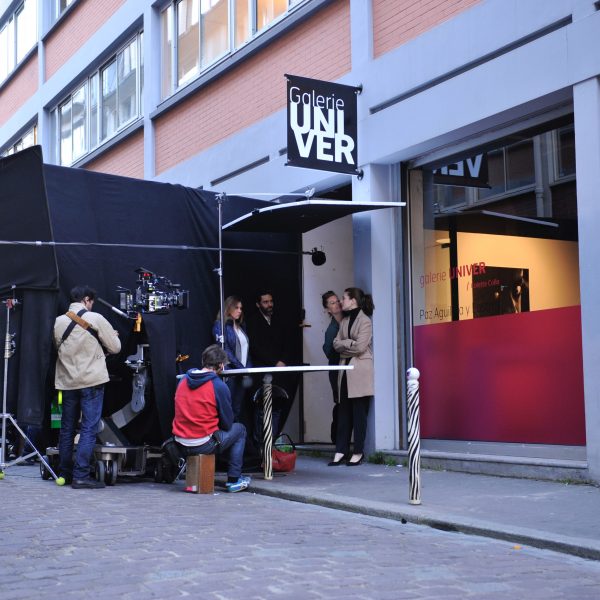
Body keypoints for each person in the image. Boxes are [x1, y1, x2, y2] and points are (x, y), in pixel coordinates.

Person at [54, 285, 121, 488]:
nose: (92, 305)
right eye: (91, 302)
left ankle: (65, 473)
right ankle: (81, 475)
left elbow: (61, 348)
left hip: (67, 382)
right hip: (91, 381)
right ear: (86, 300)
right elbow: (115, 348)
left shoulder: (59, 322)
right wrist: (113, 336)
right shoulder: (96, 318)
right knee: (89, 428)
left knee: (67, 428)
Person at [172, 344, 250, 493]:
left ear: (203, 361)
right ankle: (234, 480)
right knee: (240, 430)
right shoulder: (218, 386)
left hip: (179, 443)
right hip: (202, 444)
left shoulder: (183, 380)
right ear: (221, 365)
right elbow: (227, 424)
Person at [329, 287, 374, 467]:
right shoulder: (345, 320)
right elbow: (335, 344)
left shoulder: (365, 321)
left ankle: (358, 451)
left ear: (353, 300)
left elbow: (361, 347)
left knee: (359, 413)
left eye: (344, 298)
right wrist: (349, 344)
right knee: (344, 412)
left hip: (360, 371)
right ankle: (341, 450)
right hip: (345, 370)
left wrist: (344, 345)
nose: (341, 301)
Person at [246, 289, 296, 441]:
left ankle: (272, 442)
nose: (269, 304)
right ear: (258, 304)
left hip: (279, 371)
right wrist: (274, 362)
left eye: (271, 301)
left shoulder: (279, 320)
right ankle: (260, 445)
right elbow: (254, 347)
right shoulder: (253, 322)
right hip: (262, 371)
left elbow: (288, 343)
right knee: (261, 408)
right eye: (265, 302)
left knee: (277, 406)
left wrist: (283, 361)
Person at [212, 295, 253, 421]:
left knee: (237, 408)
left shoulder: (241, 326)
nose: (240, 310)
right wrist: (241, 368)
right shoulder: (220, 325)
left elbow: (247, 350)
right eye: (236, 308)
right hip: (230, 373)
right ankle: (226, 432)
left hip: (242, 373)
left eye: (241, 308)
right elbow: (225, 350)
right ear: (228, 308)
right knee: (227, 408)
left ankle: (234, 432)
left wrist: (248, 369)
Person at [321, 291, 343, 444]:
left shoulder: (348, 319)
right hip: (337, 370)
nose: (337, 304)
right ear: (328, 309)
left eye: (337, 300)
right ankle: (336, 439)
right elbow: (328, 351)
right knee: (340, 403)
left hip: (346, 369)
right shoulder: (331, 330)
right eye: (332, 303)